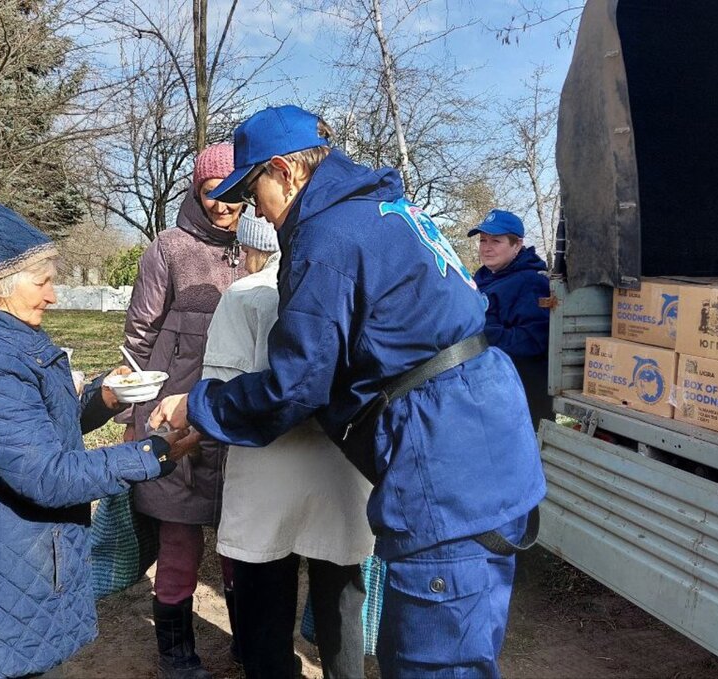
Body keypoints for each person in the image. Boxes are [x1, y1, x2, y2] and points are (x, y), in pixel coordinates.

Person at [150, 105, 547, 678]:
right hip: (485, 435)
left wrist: (198, 405)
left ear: (285, 171)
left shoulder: (328, 234)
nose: (250, 210)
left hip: (442, 458)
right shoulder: (387, 210)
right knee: (460, 639)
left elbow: (297, 384)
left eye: (253, 190)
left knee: (431, 661)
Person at [0, 200, 193, 679]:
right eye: (42, 282)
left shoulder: (3, 339)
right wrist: (154, 453)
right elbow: (48, 475)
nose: (54, 296)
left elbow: (35, 431)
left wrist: (104, 397)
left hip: (18, 554)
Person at [202, 213, 374, 678]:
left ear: (249, 249)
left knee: (264, 596)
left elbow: (223, 387)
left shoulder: (245, 293)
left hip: (266, 470)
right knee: (341, 602)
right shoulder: (348, 285)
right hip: (341, 465)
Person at [115, 142, 248, 678]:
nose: (223, 204)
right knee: (179, 543)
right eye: (213, 192)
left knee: (243, 545)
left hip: (236, 418)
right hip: (173, 420)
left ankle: (250, 643)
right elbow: (139, 336)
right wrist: (134, 415)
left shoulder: (259, 249)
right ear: (197, 188)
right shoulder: (167, 249)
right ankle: (177, 654)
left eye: (234, 193)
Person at [470, 209, 552, 425]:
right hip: (486, 390)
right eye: (483, 240)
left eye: (496, 241)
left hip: (520, 396)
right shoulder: (480, 279)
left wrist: (480, 333)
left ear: (517, 245)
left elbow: (534, 341)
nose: (486, 248)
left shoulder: (531, 283)